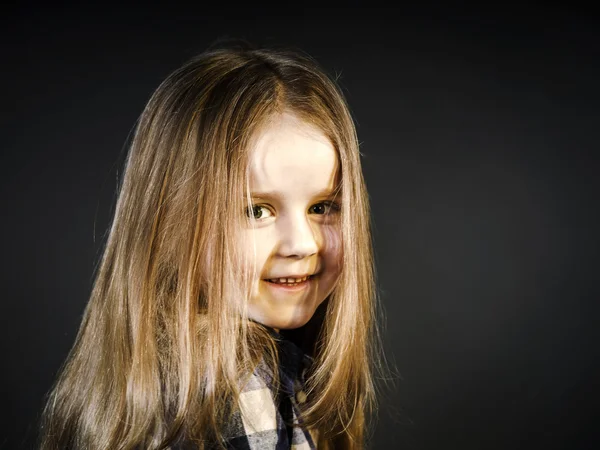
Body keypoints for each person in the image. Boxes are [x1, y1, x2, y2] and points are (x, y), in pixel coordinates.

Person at [39, 41, 380, 449]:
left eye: (323, 206)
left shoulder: (136, 377)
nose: (302, 244)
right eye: (256, 211)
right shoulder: (240, 385)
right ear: (170, 223)